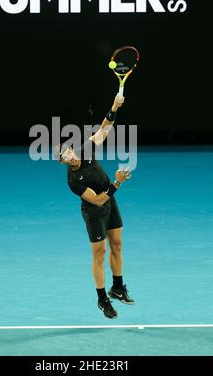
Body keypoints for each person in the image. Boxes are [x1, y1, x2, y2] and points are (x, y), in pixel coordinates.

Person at [56, 96, 134, 319]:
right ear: (63, 163)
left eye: (67, 152)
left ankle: (117, 287)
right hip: (94, 212)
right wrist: (117, 182)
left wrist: (114, 107)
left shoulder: (85, 150)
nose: (68, 157)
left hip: (110, 200)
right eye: (63, 158)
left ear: (71, 149)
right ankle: (102, 299)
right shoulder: (73, 181)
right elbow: (98, 200)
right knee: (99, 253)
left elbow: (103, 130)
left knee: (117, 244)